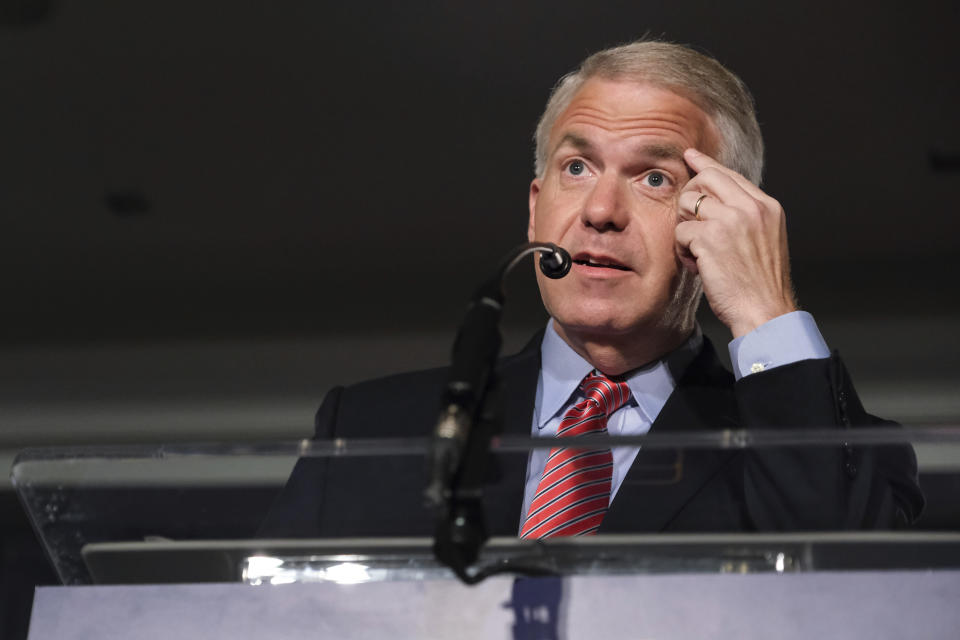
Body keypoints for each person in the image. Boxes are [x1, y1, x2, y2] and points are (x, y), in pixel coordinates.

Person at [259, 39, 924, 539]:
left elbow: (849, 594)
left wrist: (764, 311)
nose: (601, 210)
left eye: (654, 178)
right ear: (536, 207)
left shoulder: (830, 451)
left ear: (720, 216)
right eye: (577, 167)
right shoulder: (370, 429)